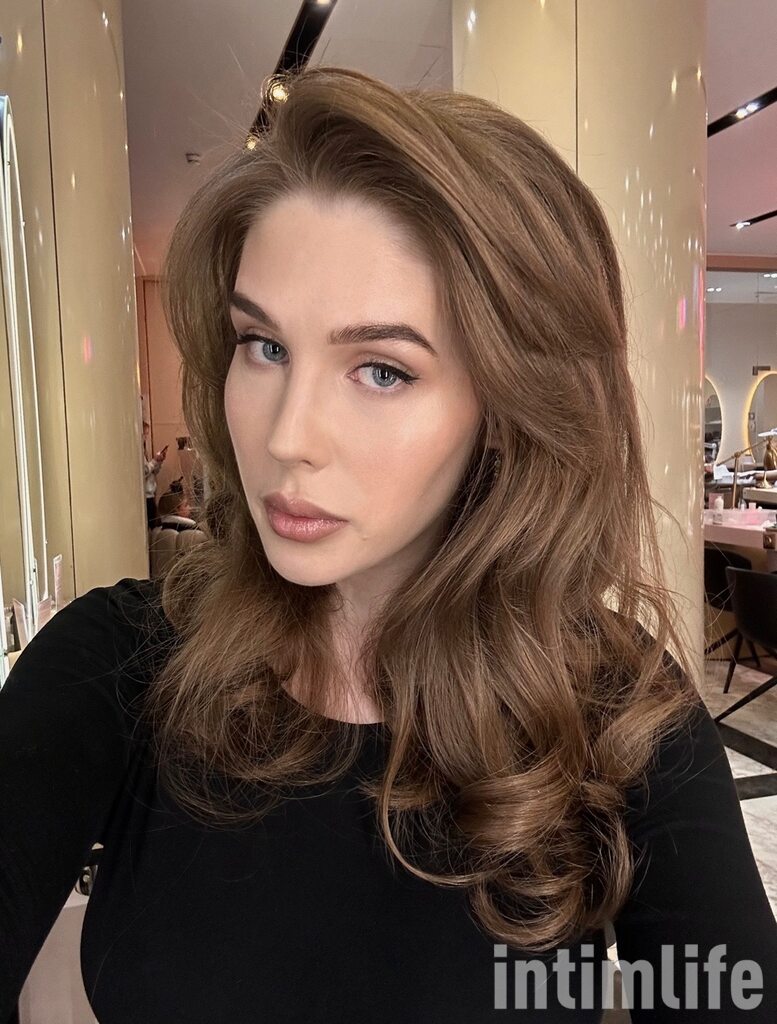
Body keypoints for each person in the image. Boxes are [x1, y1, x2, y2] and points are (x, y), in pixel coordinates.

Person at [1, 66, 776, 1022]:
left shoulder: (615, 715)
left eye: (380, 369)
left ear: (506, 409)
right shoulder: (118, 662)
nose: (287, 437)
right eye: (264, 347)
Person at [142, 419, 167, 528]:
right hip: (146, 496)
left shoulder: (144, 451)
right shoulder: (138, 452)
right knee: (153, 526)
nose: (146, 438)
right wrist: (154, 461)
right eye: (144, 434)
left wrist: (159, 462)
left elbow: (152, 472)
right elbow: (144, 471)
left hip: (151, 494)